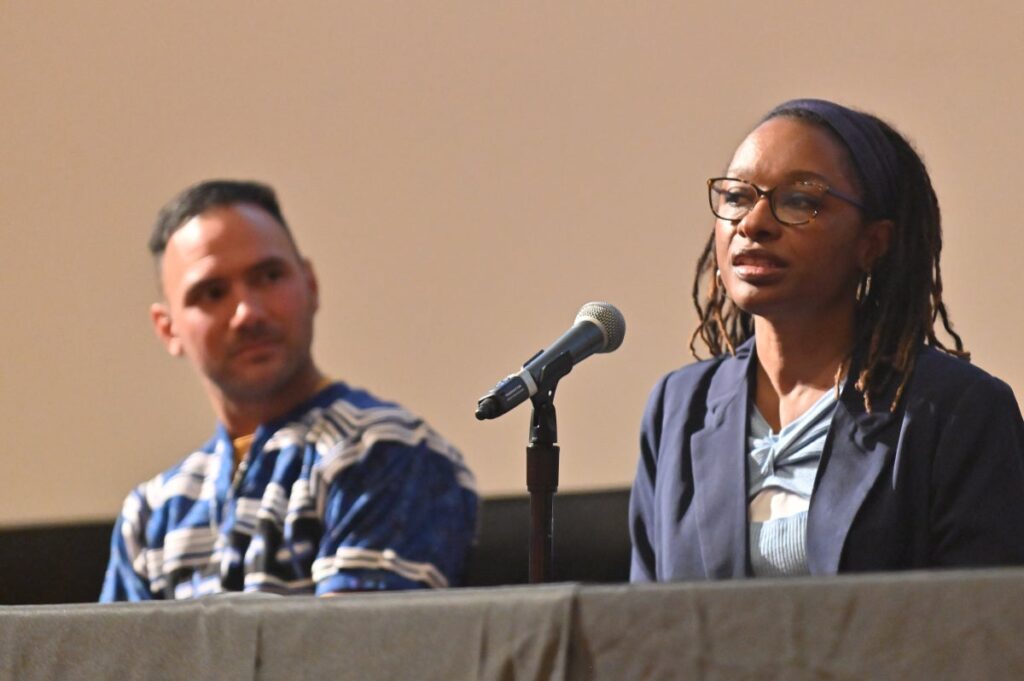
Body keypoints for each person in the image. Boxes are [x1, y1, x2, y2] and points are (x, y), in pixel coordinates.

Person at [630, 98, 1024, 581]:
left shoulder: (954, 412)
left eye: (799, 201)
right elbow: (645, 632)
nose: (753, 224)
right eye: (736, 197)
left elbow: (981, 634)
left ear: (871, 244)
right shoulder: (678, 408)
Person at [101, 180, 477, 600]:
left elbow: (356, 657)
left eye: (269, 276)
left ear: (311, 284)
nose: (247, 313)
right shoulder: (152, 513)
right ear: (167, 328)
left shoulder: (384, 452)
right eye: (212, 293)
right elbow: (115, 666)